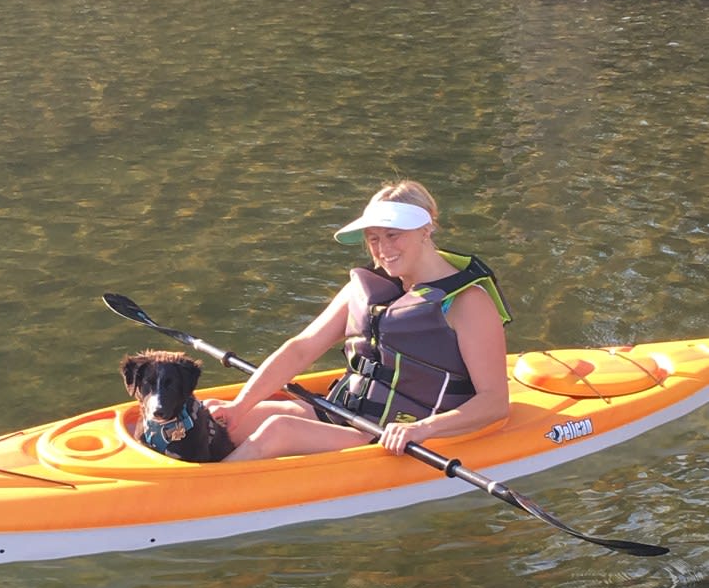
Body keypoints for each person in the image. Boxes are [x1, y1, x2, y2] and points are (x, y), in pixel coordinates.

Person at [207, 180, 512, 461]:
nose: (383, 250)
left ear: (426, 229)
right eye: (373, 239)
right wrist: (238, 407)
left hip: (399, 434)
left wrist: (423, 429)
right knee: (227, 423)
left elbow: (495, 402)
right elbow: (301, 349)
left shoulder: (467, 302)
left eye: (393, 235)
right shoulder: (367, 289)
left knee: (279, 430)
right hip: (344, 412)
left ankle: (209, 501)